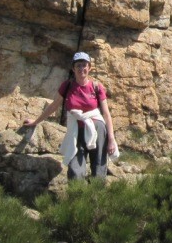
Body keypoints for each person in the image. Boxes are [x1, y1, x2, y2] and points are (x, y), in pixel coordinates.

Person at [23, 51, 118, 180]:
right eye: (78, 65)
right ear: (73, 68)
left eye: (84, 65)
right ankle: (77, 196)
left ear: (89, 67)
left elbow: (106, 114)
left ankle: (96, 197)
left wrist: (111, 139)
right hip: (76, 131)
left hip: (98, 129)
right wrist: (36, 121)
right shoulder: (67, 86)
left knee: (99, 169)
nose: (81, 68)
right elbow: (53, 106)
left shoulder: (97, 87)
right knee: (75, 172)